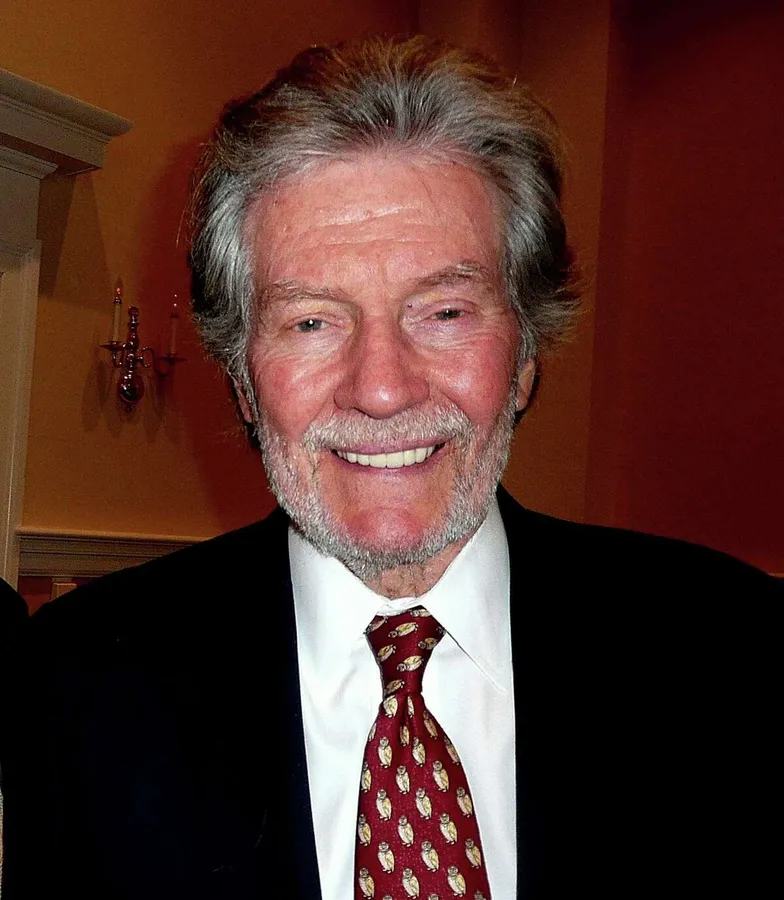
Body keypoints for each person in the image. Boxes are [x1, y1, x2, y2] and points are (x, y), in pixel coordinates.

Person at [0, 36, 779, 900]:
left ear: (525, 355)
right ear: (244, 380)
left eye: (444, 312)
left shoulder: (736, 653)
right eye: (311, 322)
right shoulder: (77, 685)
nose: (381, 389)